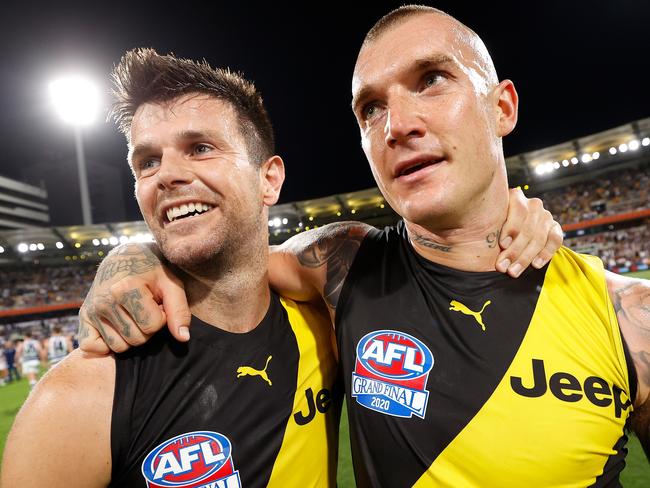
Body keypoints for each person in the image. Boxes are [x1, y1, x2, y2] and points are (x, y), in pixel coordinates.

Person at [69, 5, 649, 487]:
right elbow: (225, 256)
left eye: (430, 80)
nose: (397, 123)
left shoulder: (630, 317)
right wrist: (131, 256)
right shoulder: (345, 263)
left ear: (502, 107)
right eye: (371, 108)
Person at [2, 50, 340, 487]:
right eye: (147, 162)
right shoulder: (78, 398)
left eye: (200, 148)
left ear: (268, 179)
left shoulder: (327, 324)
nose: (167, 175)